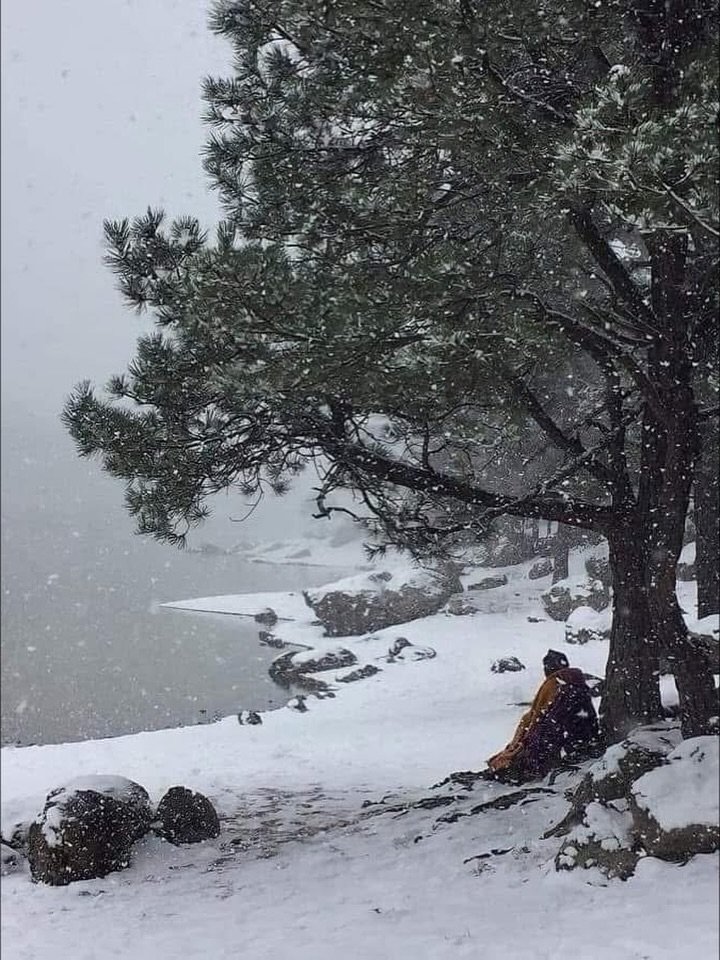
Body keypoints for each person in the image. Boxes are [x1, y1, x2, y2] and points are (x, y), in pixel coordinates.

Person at [485, 649, 600, 784]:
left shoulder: (553, 685)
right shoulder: (578, 683)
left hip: (564, 744)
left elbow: (542, 722)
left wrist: (528, 753)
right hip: (586, 738)